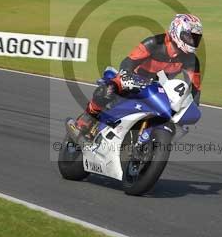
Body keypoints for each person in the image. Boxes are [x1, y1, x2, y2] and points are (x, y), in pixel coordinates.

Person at [66, 13, 203, 144]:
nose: (192, 42)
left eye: (195, 39)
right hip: (136, 78)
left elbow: (195, 88)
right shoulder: (153, 43)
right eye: (189, 37)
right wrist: (126, 75)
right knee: (109, 89)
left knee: (171, 119)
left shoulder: (191, 60)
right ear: (176, 31)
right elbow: (129, 61)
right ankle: (85, 120)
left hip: (160, 89)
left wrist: (191, 108)